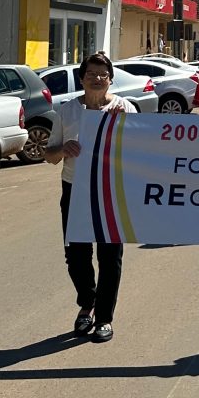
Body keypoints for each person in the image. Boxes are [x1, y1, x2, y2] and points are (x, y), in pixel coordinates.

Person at [44, 51, 137, 343]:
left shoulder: (125, 108)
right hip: (75, 188)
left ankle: (104, 318)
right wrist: (64, 149)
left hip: (112, 190)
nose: (97, 79)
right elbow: (49, 156)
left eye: (103, 75)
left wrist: (124, 128)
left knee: (110, 256)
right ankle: (87, 303)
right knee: (76, 256)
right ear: (82, 78)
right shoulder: (68, 111)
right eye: (91, 74)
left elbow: (142, 154)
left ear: (110, 80)